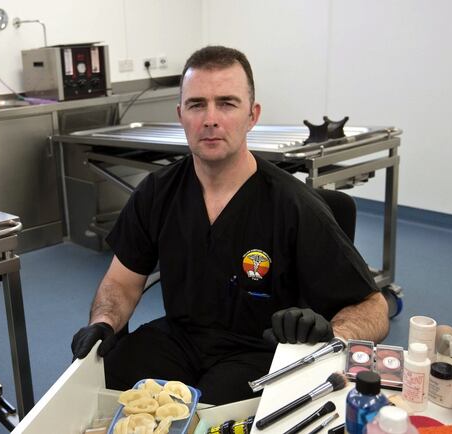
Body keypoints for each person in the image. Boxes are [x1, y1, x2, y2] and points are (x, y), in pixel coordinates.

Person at [71, 45, 389, 405]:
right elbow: (121, 283)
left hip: (258, 351)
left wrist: (334, 332)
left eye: (226, 103)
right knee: (96, 396)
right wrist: (104, 322)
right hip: (178, 339)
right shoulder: (157, 193)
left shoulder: (294, 205)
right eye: (197, 105)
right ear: (181, 115)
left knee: (219, 419)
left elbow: (373, 306)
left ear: (252, 115)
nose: (210, 119)